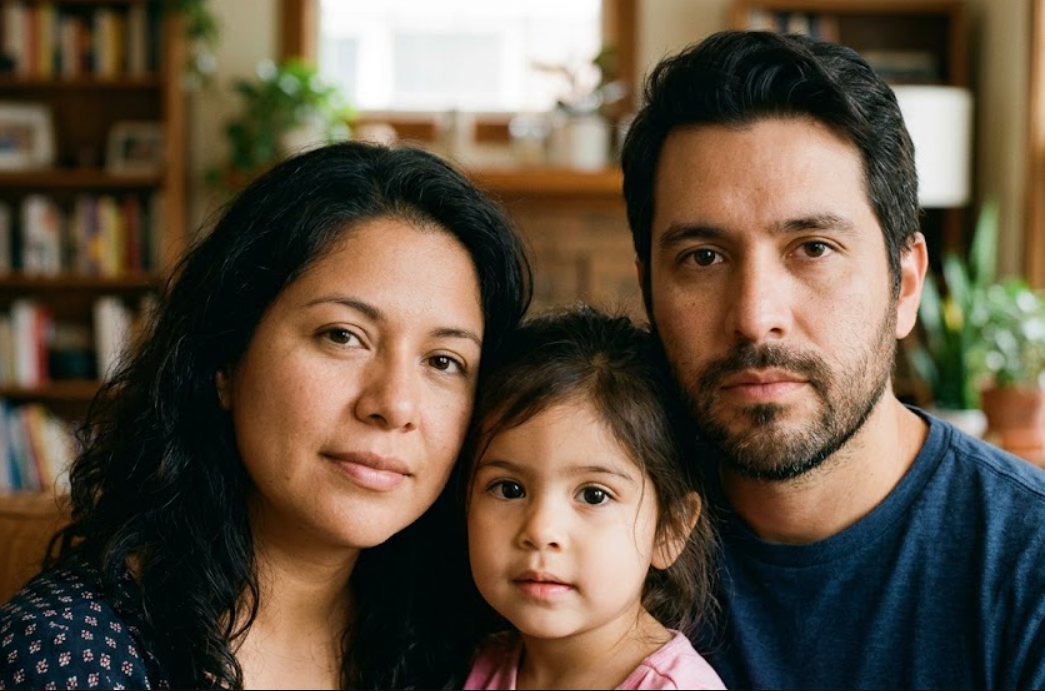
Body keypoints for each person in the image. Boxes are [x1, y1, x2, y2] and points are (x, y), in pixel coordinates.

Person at [0, 140, 532, 689]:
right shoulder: (70, 654)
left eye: (444, 361)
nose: (394, 405)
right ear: (226, 358)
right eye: (343, 336)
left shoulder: (475, 652)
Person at [619, 28, 1045, 690]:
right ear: (648, 287)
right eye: (702, 257)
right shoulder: (577, 530)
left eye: (812, 247)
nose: (755, 315)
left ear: (905, 284)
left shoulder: (1026, 567)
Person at [459, 305, 725, 690]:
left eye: (594, 495)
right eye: (509, 489)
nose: (541, 530)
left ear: (669, 529)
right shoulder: (479, 665)